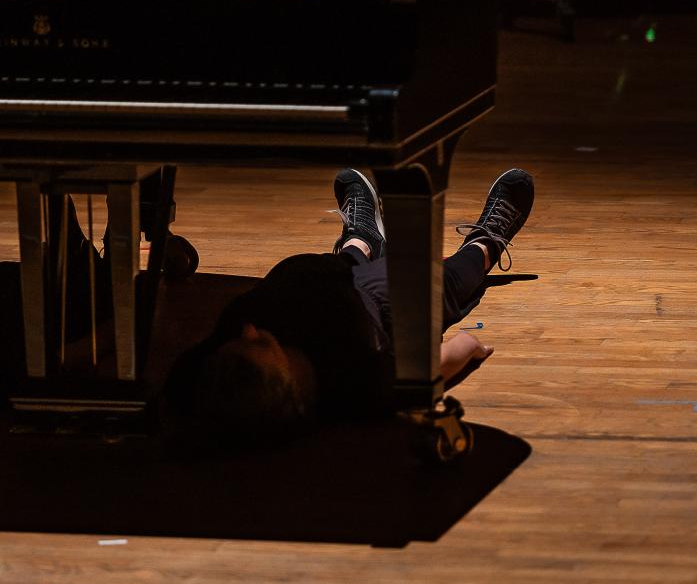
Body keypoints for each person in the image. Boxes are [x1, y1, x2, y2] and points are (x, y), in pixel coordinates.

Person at [160, 167, 534, 444]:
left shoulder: (212, 371)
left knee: (348, 260)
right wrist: (471, 345)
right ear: (289, 384)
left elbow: (164, 410)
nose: (249, 330)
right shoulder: (355, 382)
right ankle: (485, 244)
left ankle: (363, 238)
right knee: (438, 280)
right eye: (257, 345)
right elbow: (439, 364)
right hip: (376, 303)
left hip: (331, 273)